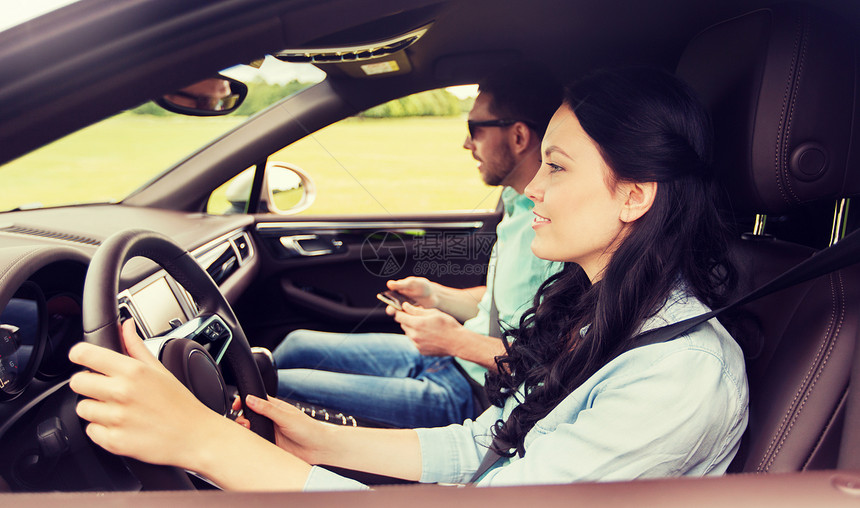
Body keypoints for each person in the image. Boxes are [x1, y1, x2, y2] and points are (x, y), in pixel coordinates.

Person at [68, 67, 749, 491]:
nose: (533, 187)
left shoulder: (678, 376)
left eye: (559, 167)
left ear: (635, 196)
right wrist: (321, 439)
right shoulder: (606, 310)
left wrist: (204, 444)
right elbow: (492, 441)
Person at [271, 64, 563, 428]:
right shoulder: (517, 204)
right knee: (296, 344)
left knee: (275, 387)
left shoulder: (557, 227)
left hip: (476, 393)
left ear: (519, 137)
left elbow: (551, 359)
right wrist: (436, 296)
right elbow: (508, 302)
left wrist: (454, 340)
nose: (466, 143)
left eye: (475, 129)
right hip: (452, 358)